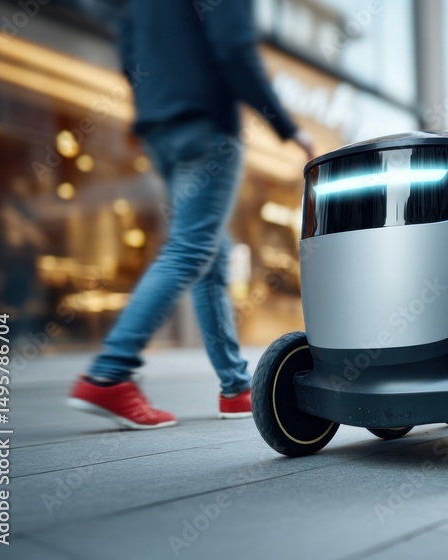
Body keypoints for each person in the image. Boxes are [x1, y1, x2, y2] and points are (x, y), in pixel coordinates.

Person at [68, 0, 315, 429]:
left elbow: (128, 46)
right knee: (192, 246)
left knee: (211, 254)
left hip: (160, 124)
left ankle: (236, 388)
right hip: (205, 124)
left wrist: (153, 103)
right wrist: (288, 127)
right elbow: (234, 48)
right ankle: (110, 373)